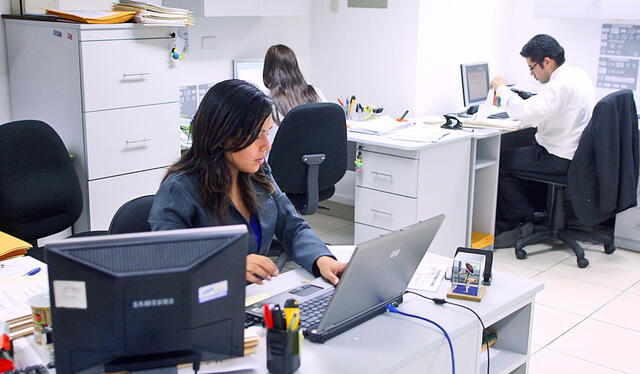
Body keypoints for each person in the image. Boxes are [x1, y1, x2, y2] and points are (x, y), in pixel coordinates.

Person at [148, 79, 346, 285]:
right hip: (205, 304)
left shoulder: (258, 173)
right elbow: (167, 259)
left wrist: (321, 259)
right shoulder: (180, 189)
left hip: (251, 297)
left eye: (267, 133)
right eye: (256, 136)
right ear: (223, 134)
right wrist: (230, 264)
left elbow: (292, 227)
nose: (266, 145)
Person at [490, 34, 596, 248]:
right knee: (521, 151)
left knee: (499, 164)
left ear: (547, 62)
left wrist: (502, 88)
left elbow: (527, 114)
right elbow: (549, 105)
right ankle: (528, 215)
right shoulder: (578, 75)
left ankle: (522, 220)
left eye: (532, 68)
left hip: (557, 158)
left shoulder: (558, 86)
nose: (532, 74)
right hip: (576, 155)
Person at [262, 44, 327, 143]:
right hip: (313, 156)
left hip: (278, 157)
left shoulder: (265, 99)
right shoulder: (315, 92)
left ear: (268, 70)